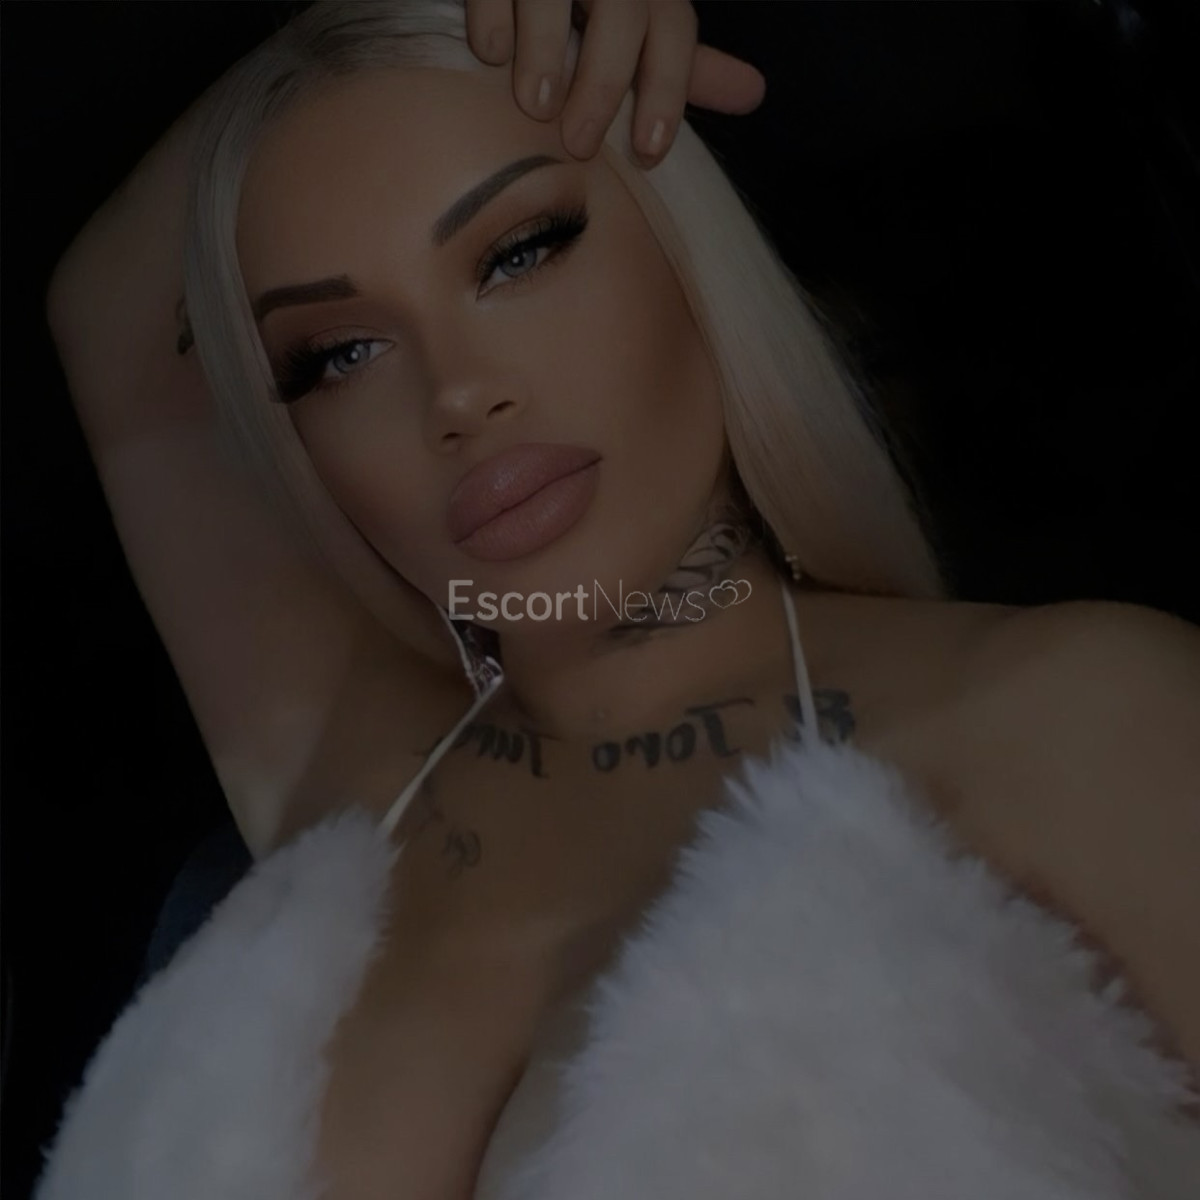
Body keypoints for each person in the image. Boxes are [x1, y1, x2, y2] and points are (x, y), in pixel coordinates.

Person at [36, 2, 1200, 1197]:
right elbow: (113, 315)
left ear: (686, 252)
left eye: (520, 251)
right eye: (340, 353)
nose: (457, 394)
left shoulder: (1077, 718)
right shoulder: (356, 775)